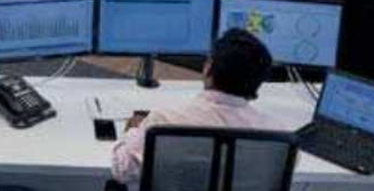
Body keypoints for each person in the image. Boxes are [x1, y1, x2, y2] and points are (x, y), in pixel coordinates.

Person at [111, 28, 281, 187]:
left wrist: (132, 130)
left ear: (208, 68)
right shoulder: (276, 137)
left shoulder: (164, 122)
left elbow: (122, 170)